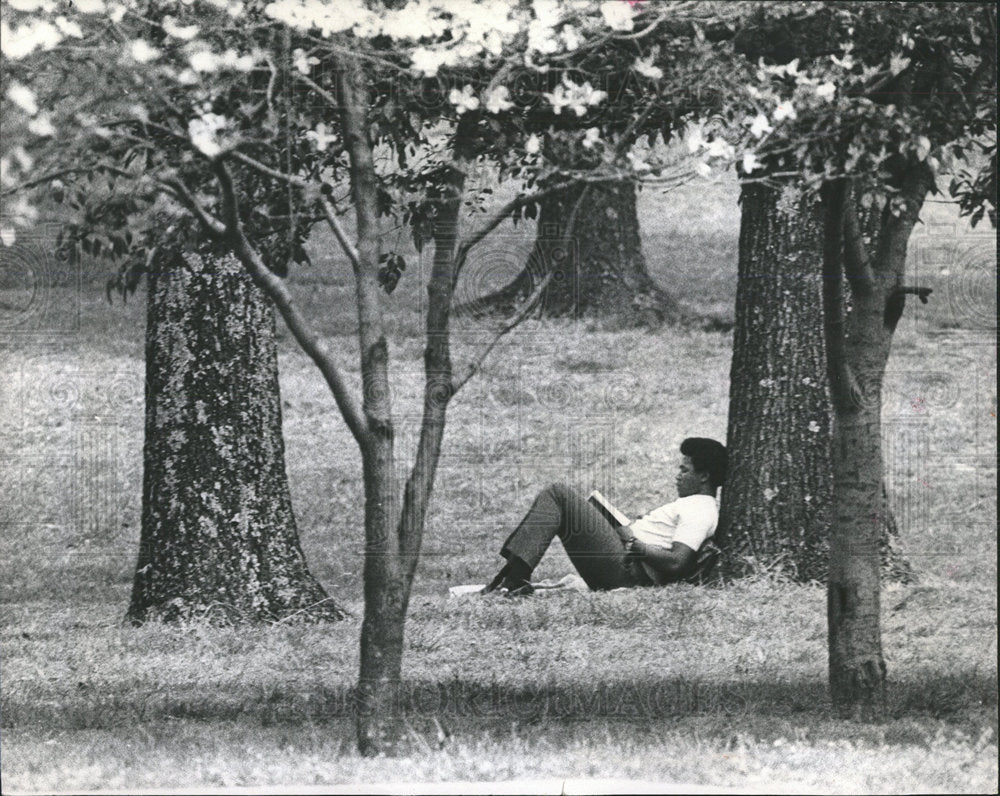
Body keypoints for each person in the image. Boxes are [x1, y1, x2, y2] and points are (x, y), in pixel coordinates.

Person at [483, 437, 727, 596]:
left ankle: (514, 578)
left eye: (684, 470)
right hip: (626, 559)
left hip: (628, 570)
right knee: (557, 496)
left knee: (558, 494)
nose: (678, 476)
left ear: (704, 476)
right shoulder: (692, 504)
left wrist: (633, 543)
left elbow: (677, 562)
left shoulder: (700, 510)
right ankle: (513, 576)